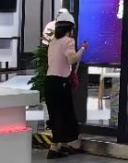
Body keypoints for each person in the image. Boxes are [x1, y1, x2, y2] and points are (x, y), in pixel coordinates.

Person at [45, 10, 87, 159]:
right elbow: (71, 59)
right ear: (69, 28)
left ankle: (59, 146)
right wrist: (82, 49)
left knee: (55, 114)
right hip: (61, 82)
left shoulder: (53, 42)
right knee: (64, 114)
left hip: (49, 81)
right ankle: (56, 147)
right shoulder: (69, 41)